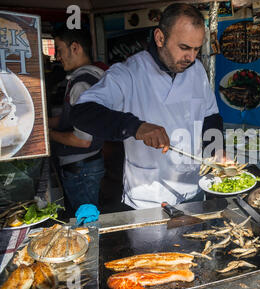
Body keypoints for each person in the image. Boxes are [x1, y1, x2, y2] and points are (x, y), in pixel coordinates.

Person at [72, 3, 223, 210]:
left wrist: (216, 150)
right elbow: (82, 112)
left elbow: (210, 115)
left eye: (197, 49)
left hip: (193, 190)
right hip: (148, 198)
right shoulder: (129, 73)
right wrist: (136, 127)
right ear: (160, 38)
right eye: (184, 47)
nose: (191, 57)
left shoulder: (197, 71)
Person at [48, 27, 106, 219]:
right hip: (86, 166)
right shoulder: (92, 76)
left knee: (85, 226)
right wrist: (42, 123)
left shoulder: (82, 84)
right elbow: (70, 119)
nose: (57, 57)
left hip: (81, 170)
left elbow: (83, 140)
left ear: (75, 48)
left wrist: (47, 135)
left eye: (59, 49)